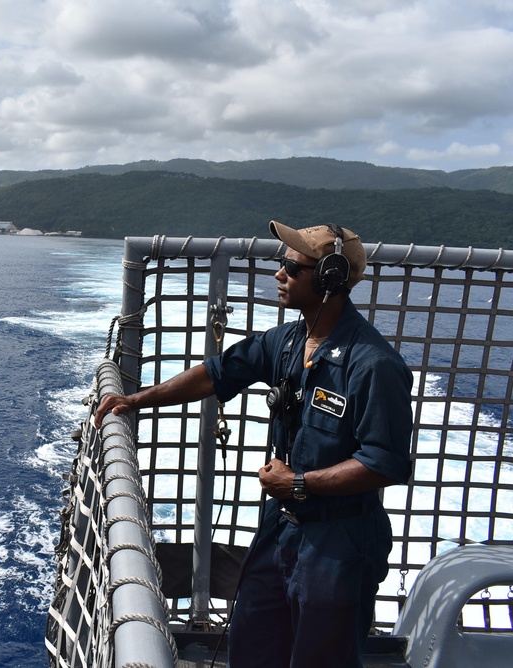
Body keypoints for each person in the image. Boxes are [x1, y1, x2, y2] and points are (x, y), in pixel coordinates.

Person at [94, 221, 413, 668]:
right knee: (253, 646)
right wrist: (135, 400)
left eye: (291, 268)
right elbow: (216, 372)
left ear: (328, 280)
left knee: (322, 660)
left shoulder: (374, 365)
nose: (279, 275)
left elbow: (386, 463)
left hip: (339, 543)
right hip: (280, 532)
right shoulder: (286, 342)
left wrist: (299, 482)